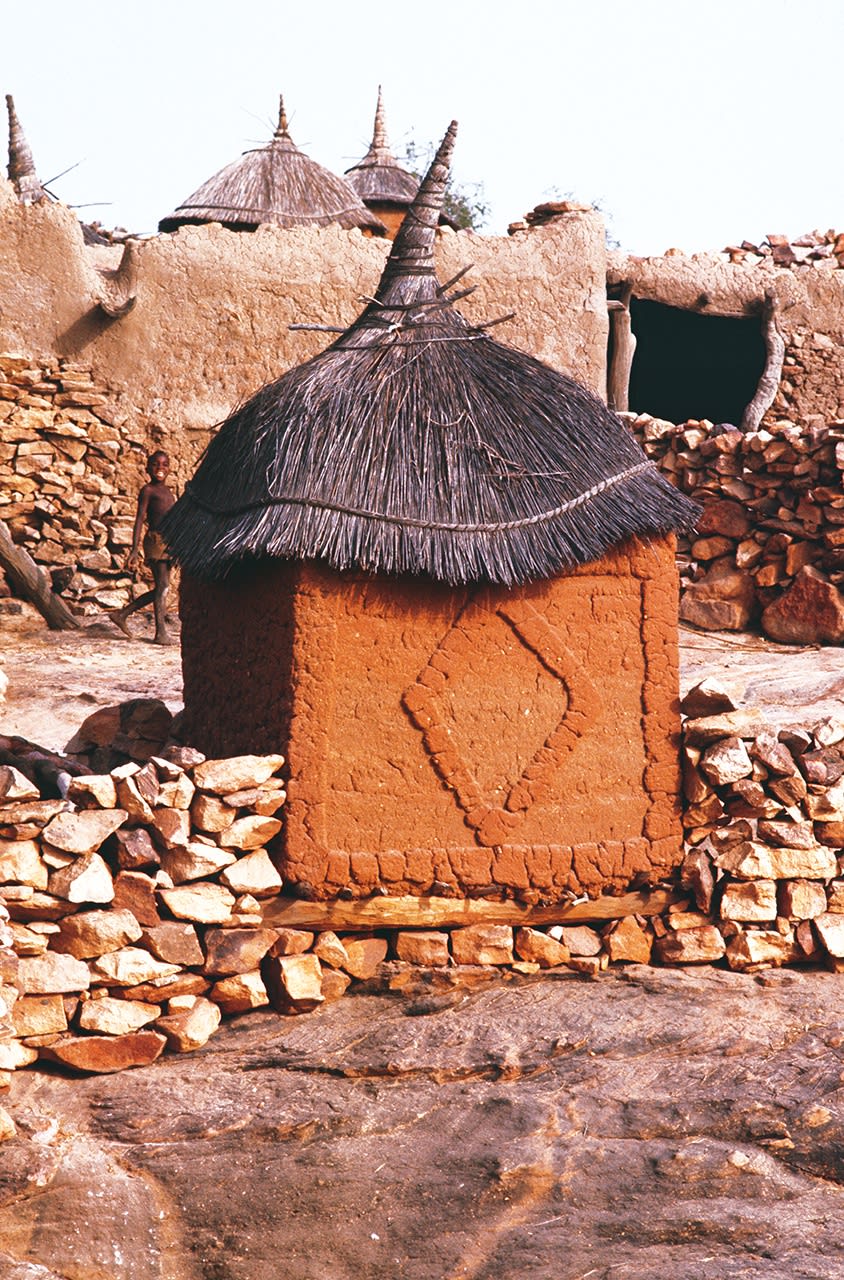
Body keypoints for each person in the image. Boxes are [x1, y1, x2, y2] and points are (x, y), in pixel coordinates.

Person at [110, 450, 176, 644]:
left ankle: (122, 614)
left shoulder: (168, 493)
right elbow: (139, 519)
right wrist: (134, 549)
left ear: (169, 469)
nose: (160, 468)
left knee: (162, 587)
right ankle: (160, 633)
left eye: (164, 465)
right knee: (162, 587)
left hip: (169, 542)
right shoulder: (148, 490)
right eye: (155, 464)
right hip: (155, 541)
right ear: (147, 468)